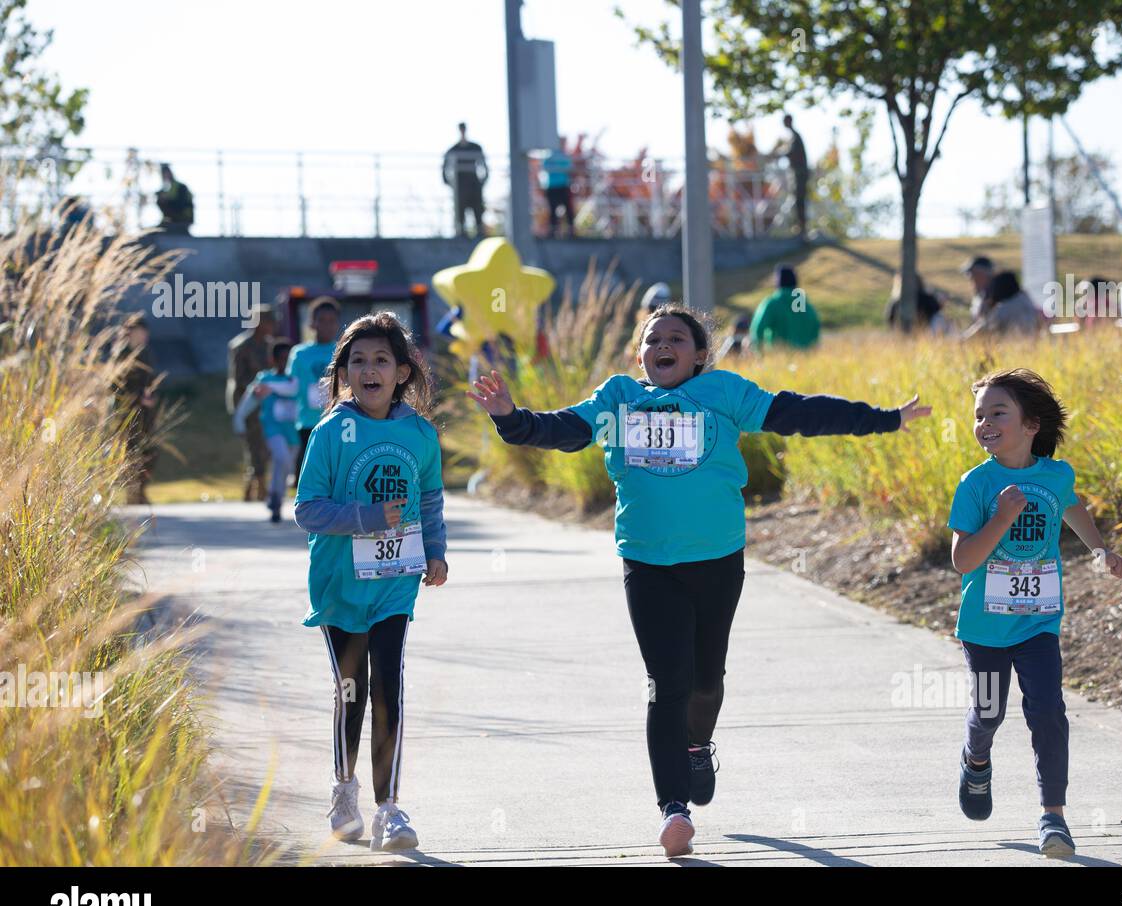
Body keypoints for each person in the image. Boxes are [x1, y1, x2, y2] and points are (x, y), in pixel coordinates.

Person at [467, 304, 931, 857]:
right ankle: (673, 809)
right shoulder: (619, 398)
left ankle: (697, 745)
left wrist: (883, 418)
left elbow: (798, 413)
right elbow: (564, 430)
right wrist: (511, 417)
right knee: (668, 683)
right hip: (647, 562)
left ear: (699, 354)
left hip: (716, 560)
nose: (663, 346)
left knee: (707, 679)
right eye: (652, 340)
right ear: (641, 355)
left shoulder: (724, 394)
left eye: (676, 339)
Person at [949, 368, 1122, 858]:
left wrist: (1100, 551)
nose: (984, 422)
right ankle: (976, 758)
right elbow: (963, 560)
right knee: (989, 713)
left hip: (1038, 622)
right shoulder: (976, 485)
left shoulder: (1055, 474)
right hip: (985, 629)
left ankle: (1054, 818)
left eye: (997, 413)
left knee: (1048, 711)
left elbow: (1071, 507)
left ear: (1031, 425)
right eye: (978, 415)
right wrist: (1003, 517)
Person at [294, 312, 449, 851]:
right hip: (340, 586)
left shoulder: (420, 433)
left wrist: (435, 552)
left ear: (402, 371)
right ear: (343, 373)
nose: (369, 369)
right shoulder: (331, 433)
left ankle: (389, 808)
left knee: (389, 687)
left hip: (394, 583)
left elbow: (429, 498)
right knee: (352, 693)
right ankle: (344, 789)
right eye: (356, 360)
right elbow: (307, 509)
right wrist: (363, 516)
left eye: (381, 359)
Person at [233, 339, 300, 523]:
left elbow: (294, 389)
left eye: (289, 360)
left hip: (292, 430)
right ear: (273, 360)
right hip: (272, 428)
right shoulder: (264, 379)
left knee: (285, 466)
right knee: (281, 458)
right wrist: (239, 421)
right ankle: (276, 497)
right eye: (281, 359)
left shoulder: (294, 379)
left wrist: (271, 389)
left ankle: (275, 496)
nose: (285, 363)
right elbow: (249, 400)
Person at [227, 304, 275, 502]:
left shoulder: (270, 345)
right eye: (268, 322)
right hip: (247, 402)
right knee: (254, 444)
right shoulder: (241, 346)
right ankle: (259, 487)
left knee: (267, 444)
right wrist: (256, 387)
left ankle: (251, 486)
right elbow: (237, 378)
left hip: (268, 402)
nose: (272, 326)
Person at [288, 298, 341, 478]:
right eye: (322, 320)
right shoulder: (299, 353)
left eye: (331, 321)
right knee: (307, 474)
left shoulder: (343, 351)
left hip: (337, 421)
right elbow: (290, 386)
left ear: (337, 324)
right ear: (312, 323)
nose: (326, 325)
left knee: (334, 472)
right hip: (307, 423)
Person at [112, 316, 161, 505]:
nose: (145, 336)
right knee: (130, 451)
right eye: (142, 332)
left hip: (146, 412)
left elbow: (152, 379)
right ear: (131, 332)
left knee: (150, 450)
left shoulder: (146, 353)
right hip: (127, 412)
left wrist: (151, 396)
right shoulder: (122, 354)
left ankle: (141, 488)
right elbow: (115, 386)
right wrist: (136, 397)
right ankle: (132, 493)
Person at [748, 264, 820, 350]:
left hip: (777, 359)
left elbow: (757, 329)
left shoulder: (771, 304)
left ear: (778, 282)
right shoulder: (808, 308)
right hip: (806, 360)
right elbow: (815, 337)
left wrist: (759, 354)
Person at [962, 271, 1041, 339]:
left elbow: (982, 330)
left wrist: (962, 340)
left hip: (1012, 350)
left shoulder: (1004, 309)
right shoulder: (1027, 301)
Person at [443, 123, 488, 239]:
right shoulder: (453, 149)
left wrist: (482, 182)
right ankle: (461, 232)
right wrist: (450, 184)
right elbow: (444, 169)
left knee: (477, 211)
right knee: (460, 212)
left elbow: (484, 167)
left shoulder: (475, 147)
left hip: (474, 184)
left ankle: (479, 231)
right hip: (460, 186)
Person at [779, 114, 809, 240]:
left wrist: (779, 154)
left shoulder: (795, 136)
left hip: (799, 174)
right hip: (797, 173)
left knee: (799, 200)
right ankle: (799, 226)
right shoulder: (793, 136)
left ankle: (802, 227)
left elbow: (791, 152)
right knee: (797, 200)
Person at [539, 141, 575, 239]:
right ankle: (553, 232)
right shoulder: (548, 155)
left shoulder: (563, 155)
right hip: (552, 187)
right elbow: (545, 167)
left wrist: (555, 167)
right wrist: (560, 167)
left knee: (568, 210)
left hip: (563, 186)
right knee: (553, 210)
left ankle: (571, 231)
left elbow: (570, 167)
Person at [155, 164, 194, 235]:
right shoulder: (167, 188)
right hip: (173, 220)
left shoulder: (181, 187)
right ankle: (168, 221)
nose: (165, 176)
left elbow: (180, 205)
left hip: (183, 218)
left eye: (166, 173)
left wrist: (167, 200)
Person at [961, 255, 995, 324]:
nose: (970, 278)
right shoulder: (980, 296)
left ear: (984, 274)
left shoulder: (997, 296)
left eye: (973, 274)